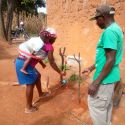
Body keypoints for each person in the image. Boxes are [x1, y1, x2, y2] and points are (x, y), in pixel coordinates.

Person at [82, 4, 124, 125]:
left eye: (96, 19)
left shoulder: (109, 32)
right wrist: (91, 67)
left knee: (96, 105)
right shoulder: (116, 28)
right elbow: (105, 57)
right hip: (111, 77)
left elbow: (110, 59)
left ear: (103, 17)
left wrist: (95, 83)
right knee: (105, 106)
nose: (96, 22)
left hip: (105, 79)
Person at [15, 27, 64, 113]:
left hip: (21, 61)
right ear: (50, 37)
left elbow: (36, 55)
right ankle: (28, 107)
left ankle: (41, 94)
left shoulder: (40, 42)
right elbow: (52, 62)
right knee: (30, 84)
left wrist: (42, 64)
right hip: (24, 63)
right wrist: (60, 72)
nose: (55, 40)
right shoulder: (49, 46)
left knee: (38, 76)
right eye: (54, 38)